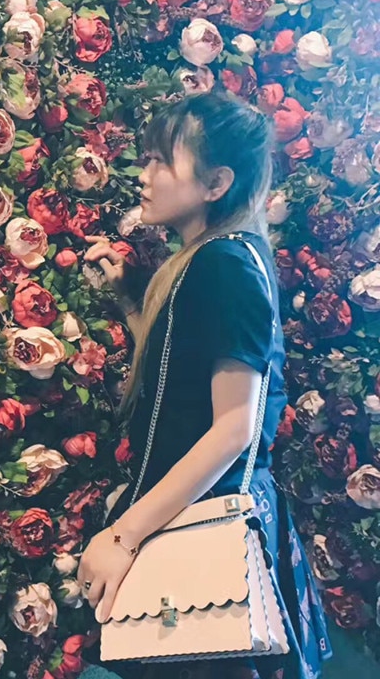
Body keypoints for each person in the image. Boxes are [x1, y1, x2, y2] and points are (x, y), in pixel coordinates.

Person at [78, 93, 332, 679]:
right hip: (195, 516)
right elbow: (183, 375)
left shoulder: (225, 264)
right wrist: (127, 302)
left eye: (163, 162)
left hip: (204, 525)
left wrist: (123, 537)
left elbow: (233, 429)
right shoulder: (214, 259)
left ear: (216, 183)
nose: (144, 176)